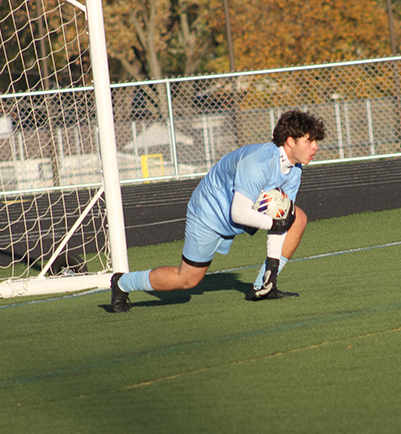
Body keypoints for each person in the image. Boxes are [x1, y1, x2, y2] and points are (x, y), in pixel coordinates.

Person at [109, 110, 326, 313]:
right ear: (290, 141)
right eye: (310, 141)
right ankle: (122, 283)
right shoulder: (258, 163)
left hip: (239, 213)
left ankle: (264, 286)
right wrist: (274, 224)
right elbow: (239, 213)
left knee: (297, 218)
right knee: (187, 280)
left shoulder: (294, 169)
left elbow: (282, 218)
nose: (315, 147)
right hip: (209, 214)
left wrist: (271, 269)